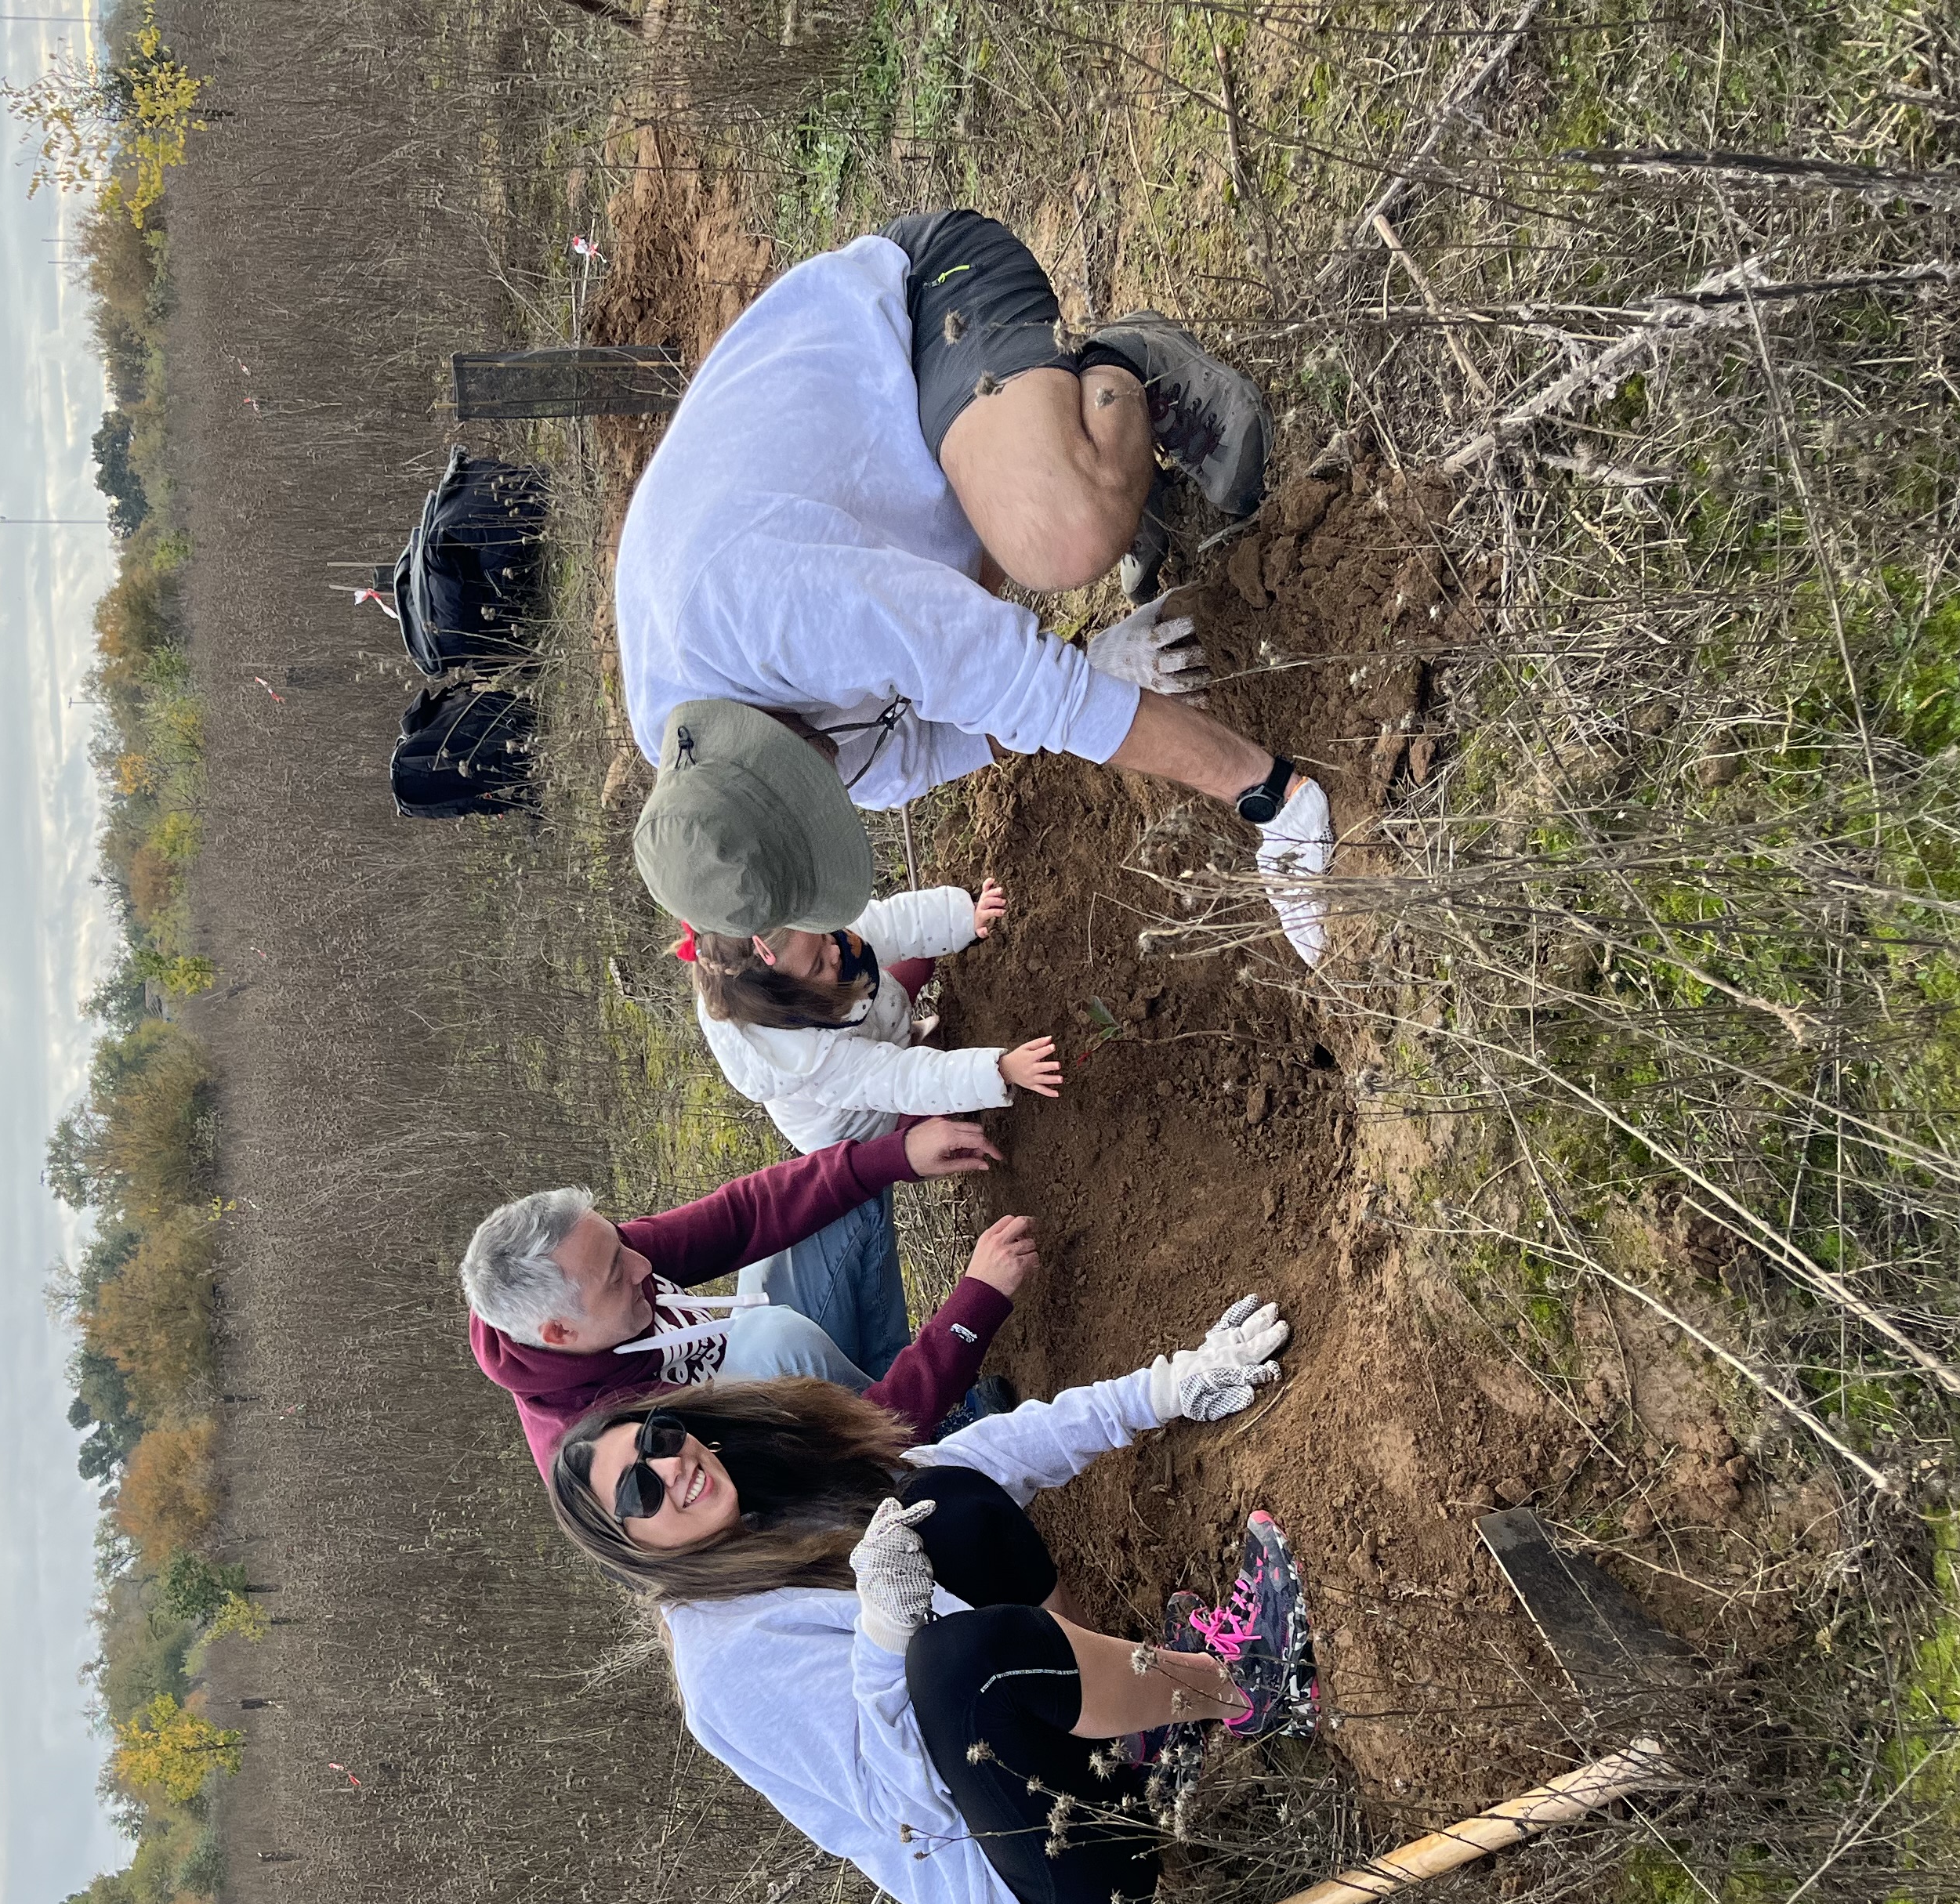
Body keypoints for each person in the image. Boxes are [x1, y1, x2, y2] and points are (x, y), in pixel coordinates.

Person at [614, 205, 1336, 956]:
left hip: (922, 313)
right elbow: (922, 748)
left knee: (1064, 536)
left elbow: (1011, 680)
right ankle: (1067, 462)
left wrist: (1271, 797)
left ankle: (1125, 367)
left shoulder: (757, 611)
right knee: (1001, 590)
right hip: (896, 507)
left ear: (747, 742)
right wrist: (1097, 663)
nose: (830, 775)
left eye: (807, 776)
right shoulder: (711, 796)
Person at [544, 1297, 1311, 1904]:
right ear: (633, 1551)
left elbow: (983, 1461)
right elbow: (907, 1805)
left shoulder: (772, 1490)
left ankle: (1139, 1730)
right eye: (638, 1492)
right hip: (1054, 1878)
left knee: (947, 1501)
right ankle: (1250, 1686)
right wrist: (886, 1635)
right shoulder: (725, 1669)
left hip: (1056, 1771)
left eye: (657, 1438)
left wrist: (1166, 1388)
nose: (668, 1468)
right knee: (955, 1661)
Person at [460, 1119, 1034, 1475]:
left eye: (621, 1242)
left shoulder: (588, 1268)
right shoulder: (617, 1449)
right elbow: (823, 1481)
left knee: (830, 1202)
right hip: (816, 1482)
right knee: (773, 1343)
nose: (642, 1265)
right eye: (617, 1275)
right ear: (559, 1332)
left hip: (792, 1402)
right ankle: (928, 1462)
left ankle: (911, 1405)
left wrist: (898, 1153)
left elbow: (741, 1217)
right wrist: (973, 1307)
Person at [686, 873, 1060, 1154]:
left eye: (825, 936)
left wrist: (964, 918)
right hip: (868, 1121)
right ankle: (924, 1118)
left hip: (868, 1023)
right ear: (791, 1002)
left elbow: (888, 925)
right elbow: (904, 1081)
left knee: (914, 957)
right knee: (938, 1129)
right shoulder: (815, 1065)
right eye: (818, 964)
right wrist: (1000, 1070)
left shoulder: (806, 946)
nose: (834, 951)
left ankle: (909, 1035)